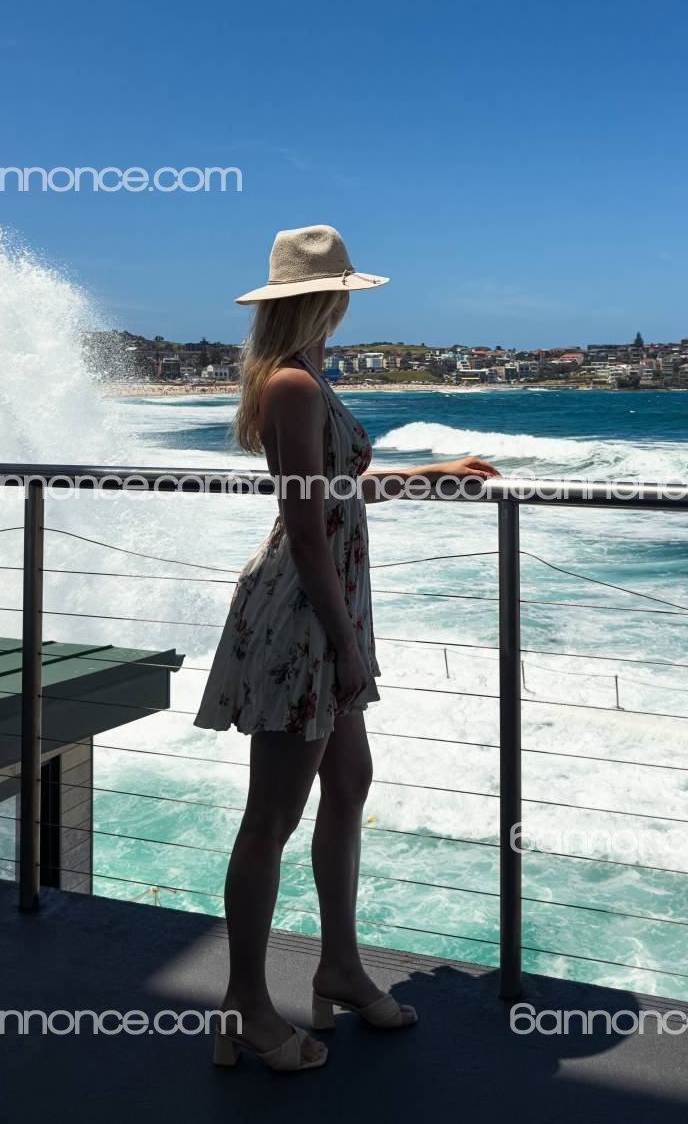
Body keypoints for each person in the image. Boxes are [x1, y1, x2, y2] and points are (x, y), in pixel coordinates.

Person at [195, 225, 499, 1071]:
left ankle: (339, 964)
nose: (343, 305)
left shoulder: (307, 377)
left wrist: (433, 474)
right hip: (306, 618)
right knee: (271, 814)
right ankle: (244, 1004)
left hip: (325, 609)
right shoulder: (293, 384)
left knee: (350, 777)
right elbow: (303, 528)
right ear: (320, 298)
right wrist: (345, 646)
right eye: (338, 292)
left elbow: (338, 488)